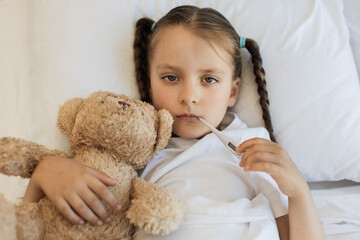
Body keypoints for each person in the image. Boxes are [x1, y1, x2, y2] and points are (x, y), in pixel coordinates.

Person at [24, 5, 325, 240]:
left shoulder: (255, 147)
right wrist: (43, 174)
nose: (189, 96)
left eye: (209, 79)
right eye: (171, 78)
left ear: (232, 91)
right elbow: (56, 223)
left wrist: (298, 190)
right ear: (149, 83)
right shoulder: (131, 150)